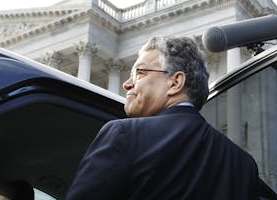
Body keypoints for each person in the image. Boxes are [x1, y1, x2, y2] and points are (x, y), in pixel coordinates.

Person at [65, 35, 259, 200]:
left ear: (175, 82)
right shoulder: (244, 166)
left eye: (139, 73)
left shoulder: (125, 135)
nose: (127, 84)